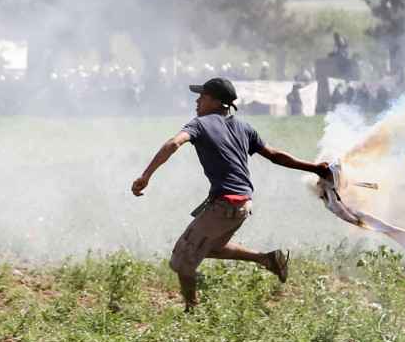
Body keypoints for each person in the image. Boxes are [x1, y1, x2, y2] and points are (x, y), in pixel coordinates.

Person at [131, 77, 332, 311]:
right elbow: (276, 155)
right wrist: (315, 167)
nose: (197, 101)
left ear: (216, 102)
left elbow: (174, 143)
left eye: (202, 97)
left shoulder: (200, 124)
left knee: (182, 259)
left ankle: (192, 312)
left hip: (225, 203)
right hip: (243, 205)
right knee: (213, 248)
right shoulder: (244, 127)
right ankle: (267, 259)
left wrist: (146, 175)